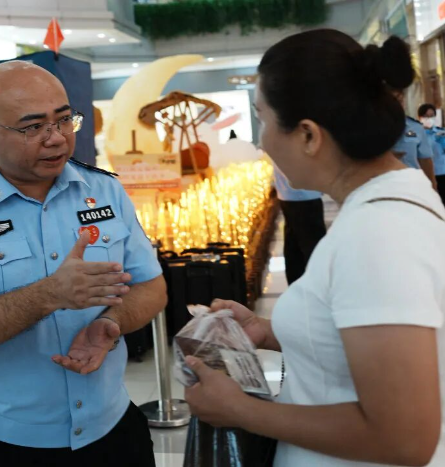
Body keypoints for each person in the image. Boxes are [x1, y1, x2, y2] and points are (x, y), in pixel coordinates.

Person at [183, 30, 445, 466]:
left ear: (308, 135)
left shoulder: (375, 236)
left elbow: (404, 438)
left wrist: (240, 410)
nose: (262, 142)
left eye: (263, 120)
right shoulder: (393, 203)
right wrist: (270, 331)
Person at [0, 61, 166, 467]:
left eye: (65, 120)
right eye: (33, 127)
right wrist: (49, 294)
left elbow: (152, 286)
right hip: (9, 444)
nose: (57, 138)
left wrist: (111, 323)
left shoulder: (105, 191)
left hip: (112, 426)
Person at [272, 167, 326, 284]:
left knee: (294, 245)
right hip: (304, 194)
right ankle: (318, 287)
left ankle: (297, 286)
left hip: (290, 194)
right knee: (313, 248)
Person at [391, 94, 436, 187]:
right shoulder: (372, 128)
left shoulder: (415, 128)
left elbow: (425, 160)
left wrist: (432, 186)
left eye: (400, 100)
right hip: (384, 184)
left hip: (413, 184)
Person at [419, 103, 445, 204]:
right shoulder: (416, 134)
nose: (429, 119)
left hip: (442, 173)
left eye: (432, 116)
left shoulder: (441, 132)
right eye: (426, 116)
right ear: (420, 117)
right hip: (426, 173)